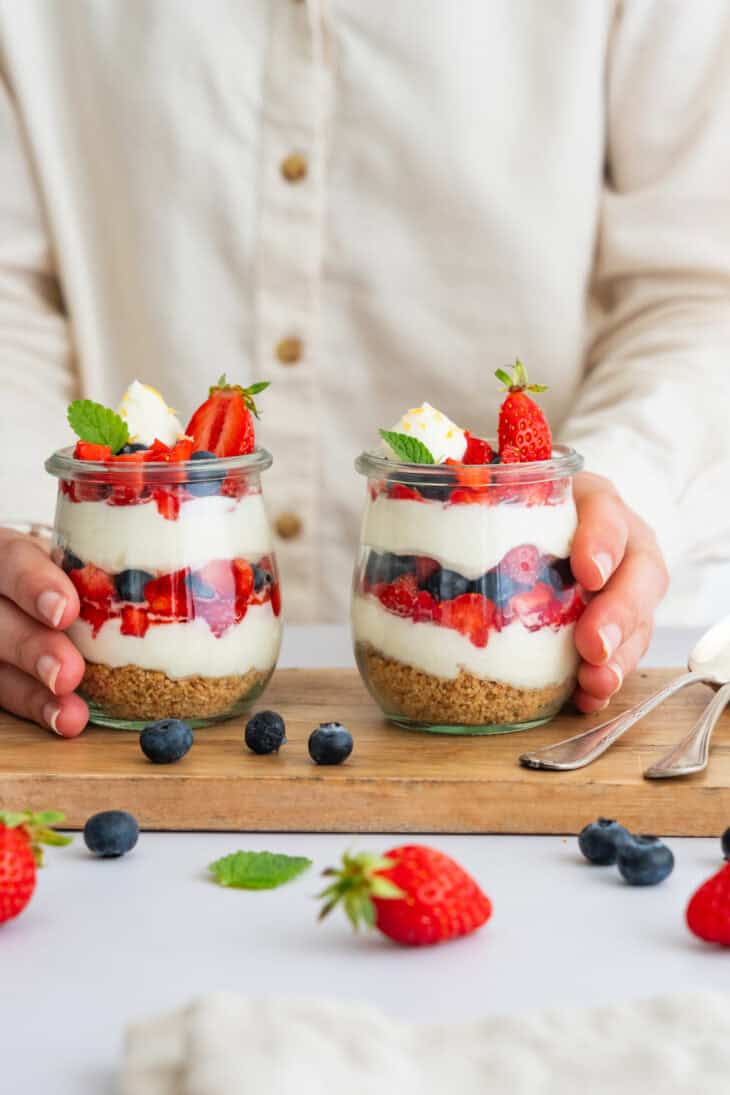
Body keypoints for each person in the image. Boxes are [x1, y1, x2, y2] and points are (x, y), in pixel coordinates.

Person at [1, 1, 728, 737]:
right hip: (79, 689)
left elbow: (698, 284)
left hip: (605, 658)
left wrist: (609, 500)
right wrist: (34, 562)